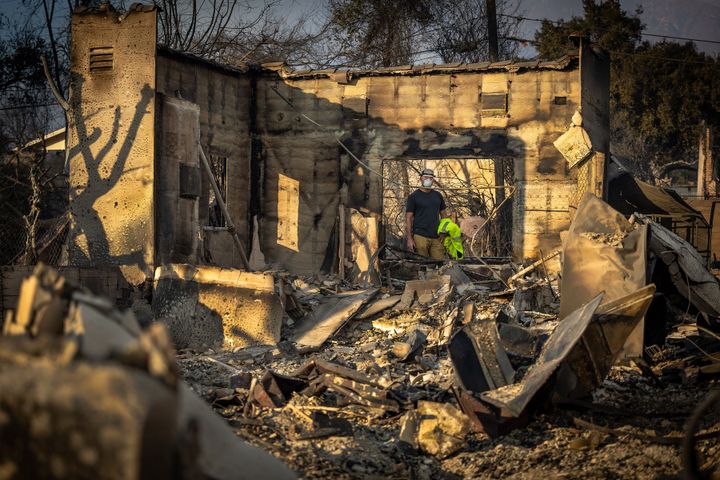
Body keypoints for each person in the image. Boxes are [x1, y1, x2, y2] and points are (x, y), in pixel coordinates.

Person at [405, 169, 447, 260]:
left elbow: (444, 215)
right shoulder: (414, 196)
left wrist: (443, 232)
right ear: (421, 178)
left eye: (431, 178)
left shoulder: (438, 195)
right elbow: (408, 218)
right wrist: (409, 238)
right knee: (423, 264)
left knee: (440, 263)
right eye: (426, 177)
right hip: (420, 236)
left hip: (436, 237)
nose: (428, 180)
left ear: (433, 180)